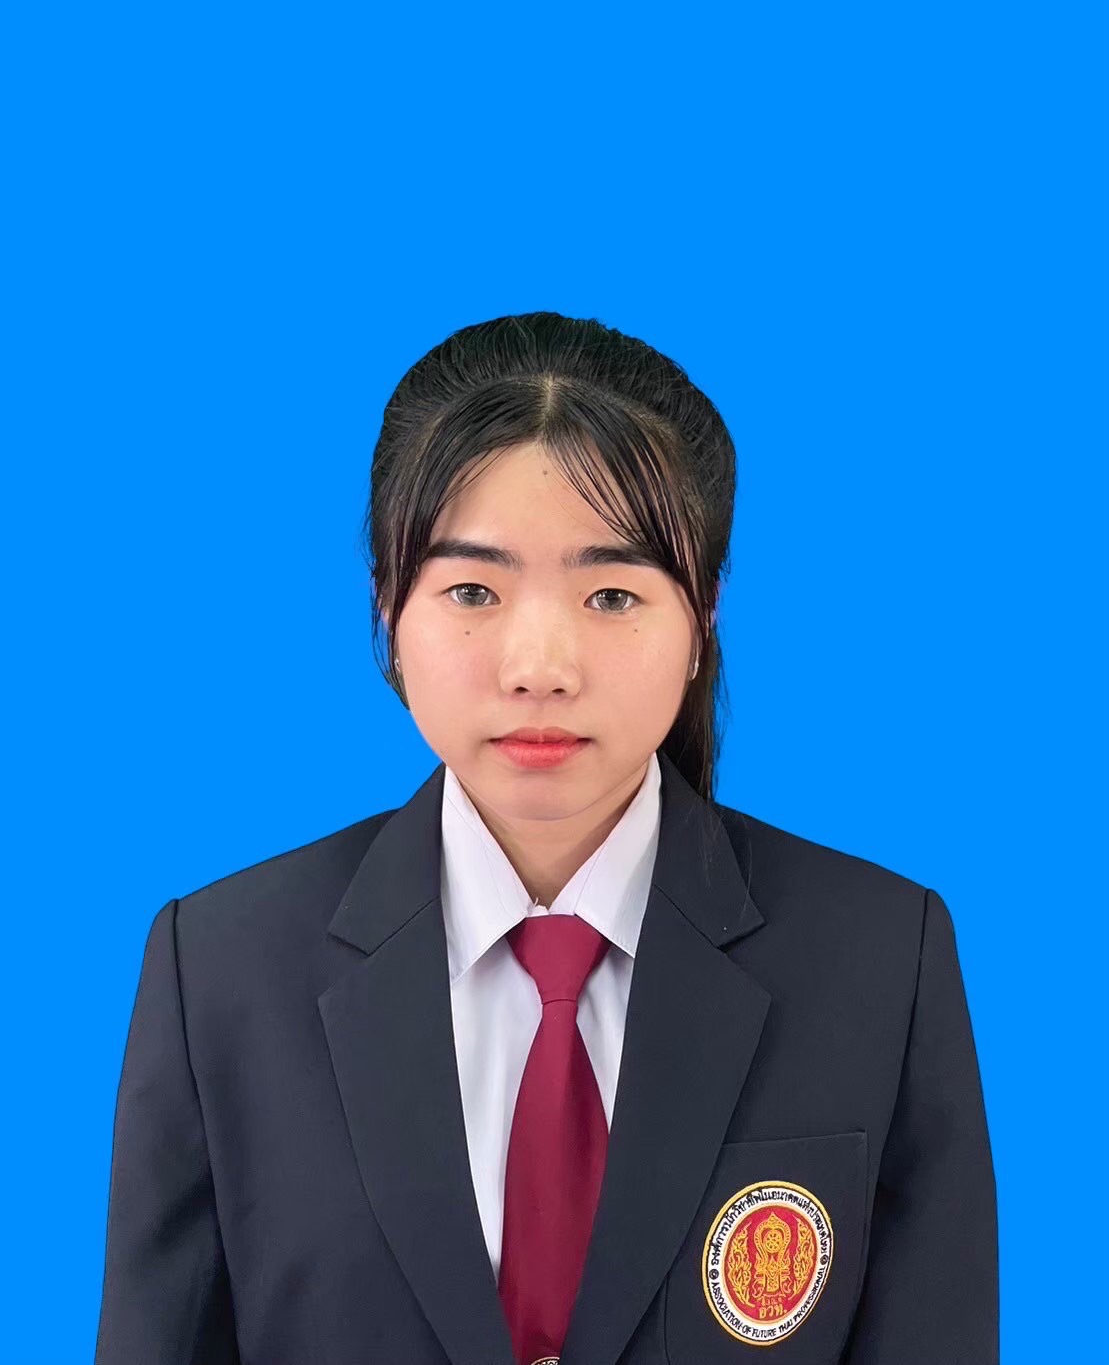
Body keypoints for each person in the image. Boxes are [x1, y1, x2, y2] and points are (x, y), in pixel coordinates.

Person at [94, 311, 999, 1365]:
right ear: (387, 607)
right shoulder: (220, 970)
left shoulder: (881, 958)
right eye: (472, 589)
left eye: (611, 593)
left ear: (702, 616)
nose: (539, 667)